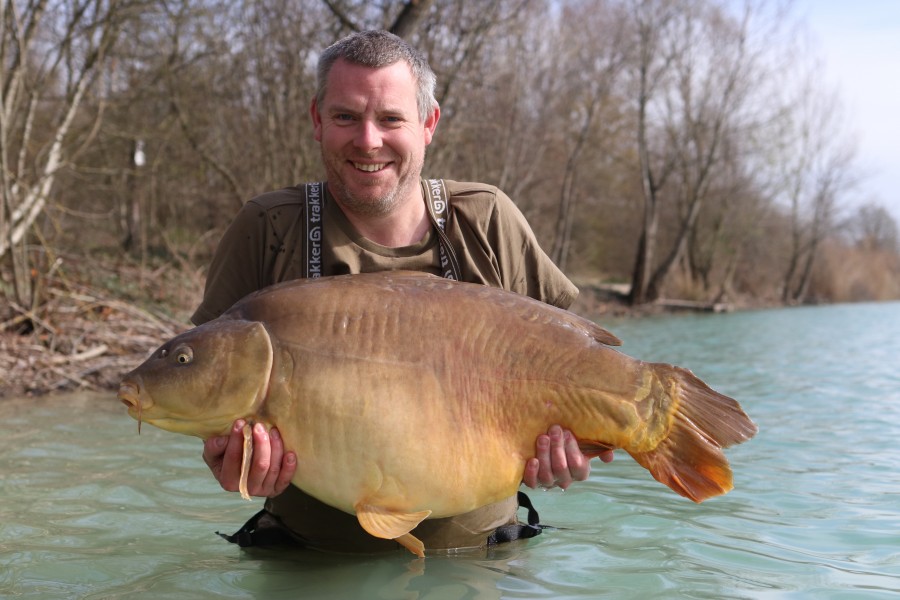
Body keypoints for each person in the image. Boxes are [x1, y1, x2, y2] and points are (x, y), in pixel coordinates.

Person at [193, 29, 613, 553]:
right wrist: (224, 459)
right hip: (306, 565)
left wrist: (568, 449)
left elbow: (570, 369)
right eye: (346, 116)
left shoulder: (486, 220)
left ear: (429, 123)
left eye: (391, 118)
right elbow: (207, 391)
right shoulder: (269, 228)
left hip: (480, 563)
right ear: (317, 120)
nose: (368, 140)